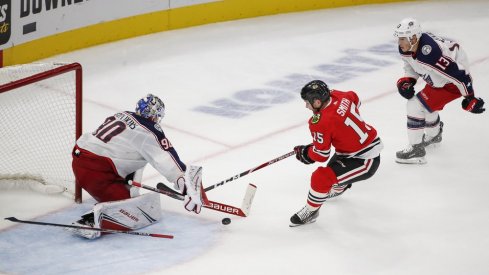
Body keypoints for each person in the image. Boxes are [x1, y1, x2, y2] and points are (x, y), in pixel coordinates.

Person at [69, 94, 206, 239]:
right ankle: (93, 220)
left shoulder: (122, 114)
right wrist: (186, 183)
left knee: (137, 155)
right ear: (155, 116)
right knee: (136, 212)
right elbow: (166, 158)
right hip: (96, 174)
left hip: (79, 161)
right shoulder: (148, 130)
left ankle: (124, 193)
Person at [291, 80, 383, 227]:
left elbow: (321, 154)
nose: (306, 106)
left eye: (308, 102)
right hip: (355, 148)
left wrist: (306, 153)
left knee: (321, 178)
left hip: (365, 160)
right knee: (333, 169)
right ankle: (341, 186)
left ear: (317, 102)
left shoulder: (320, 122)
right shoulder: (339, 95)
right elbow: (355, 98)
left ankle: (311, 212)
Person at [393, 18, 485, 164]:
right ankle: (433, 135)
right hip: (441, 79)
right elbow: (411, 64)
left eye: (403, 38)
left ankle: (416, 151)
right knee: (426, 105)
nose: (400, 42)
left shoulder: (431, 53)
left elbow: (460, 75)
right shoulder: (409, 47)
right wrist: (408, 80)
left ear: (414, 37)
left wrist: (470, 97)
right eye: (399, 38)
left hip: (452, 83)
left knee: (415, 106)